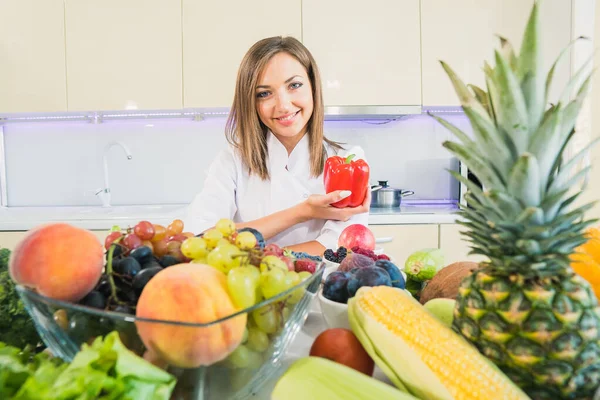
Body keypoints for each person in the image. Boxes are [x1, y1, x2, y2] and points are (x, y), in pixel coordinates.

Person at [184, 36, 370, 255]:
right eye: (264, 93)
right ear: (251, 103)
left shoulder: (350, 160)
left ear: (313, 87)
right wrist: (303, 212)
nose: (283, 105)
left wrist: (252, 256)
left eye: (294, 85)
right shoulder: (232, 161)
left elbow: (336, 248)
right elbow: (201, 239)